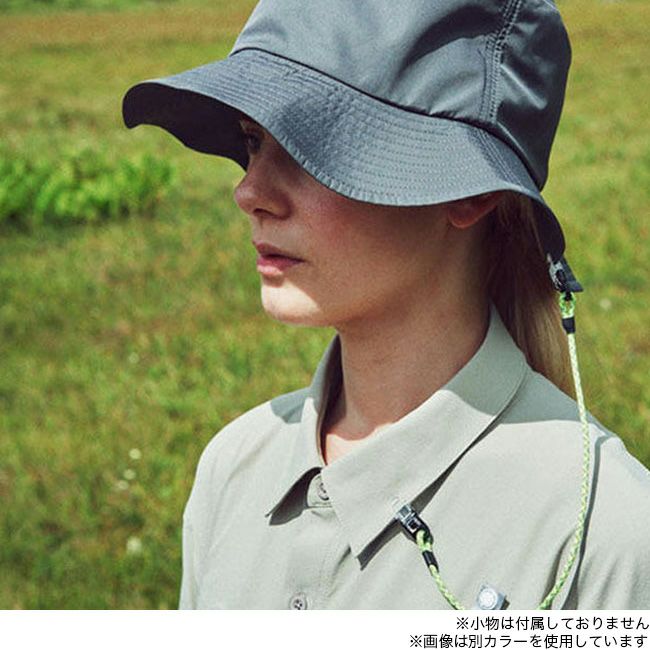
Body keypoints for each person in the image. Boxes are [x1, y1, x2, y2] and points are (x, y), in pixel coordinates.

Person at [122, 0, 650, 609]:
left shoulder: (602, 537)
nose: (249, 191)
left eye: (312, 145)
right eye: (255, 140)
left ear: (469, 193)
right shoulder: (236, 467)